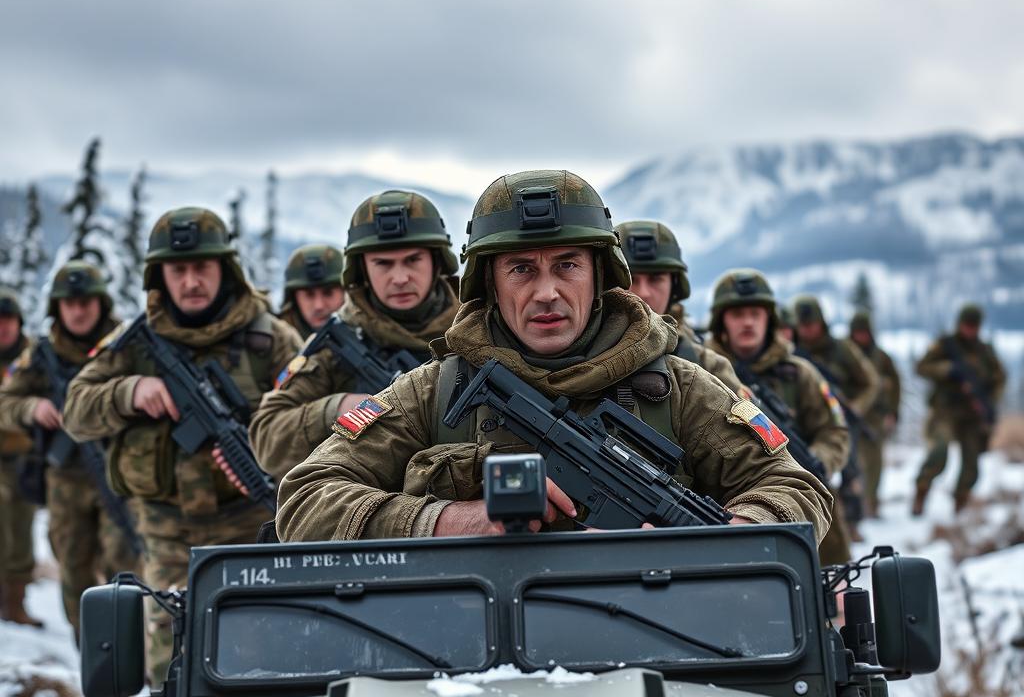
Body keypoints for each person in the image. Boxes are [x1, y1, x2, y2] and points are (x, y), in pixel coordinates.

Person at [275, 170, 831, 543]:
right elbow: (304, 500)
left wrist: (725, 536)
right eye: (521, 269)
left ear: (600, 276)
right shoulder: (434, 392)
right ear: (489, 284)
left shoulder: (678, 388)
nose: (546, 292)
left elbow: (797, 489)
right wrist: (450, 519)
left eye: (567, 265)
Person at [62, 208, 301, 681]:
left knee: (262, 648)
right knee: (170, 661)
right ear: (160, 277)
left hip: (252, 524)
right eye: (178, 270)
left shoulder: (269, 338)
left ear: (224, 270)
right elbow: (75, 410)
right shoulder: (134, 344)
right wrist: (129, 392)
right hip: (168, 532)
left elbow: (304, 416)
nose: (191, 281)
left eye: (202, 268)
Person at [250, 189, 459, 482]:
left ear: (437, 262)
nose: (399, 278)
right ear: (361, 269)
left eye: (413, 260)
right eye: (383, 264)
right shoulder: (336, 344)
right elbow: (267, 439)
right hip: (365, 511)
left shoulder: (473, 330)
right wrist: (338, 408)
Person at [0, 264, 140, 638]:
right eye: (69, 303)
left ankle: (129, 644)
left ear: (101, 303)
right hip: (66, 478)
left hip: (117, 472)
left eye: (86, 302)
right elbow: (6, 402)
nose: (78, 311)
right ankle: (89, 643)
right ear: (57, 308)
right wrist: (33, 409)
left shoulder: (123, 347)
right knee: (73, 563)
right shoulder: (41, 356)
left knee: (124, 559)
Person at [707, 270, 851, 564]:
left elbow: (834, 430)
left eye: (755, 313)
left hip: (802, 497)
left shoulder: (799, 374)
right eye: (737, 314)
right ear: (722, 321)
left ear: (769, 319)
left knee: (829, 592)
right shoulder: (701, 370)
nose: (747, 322)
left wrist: (816, 463)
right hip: (729, 506)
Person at [616, 219, 742, 392]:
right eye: (630, 279)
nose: (644, 292)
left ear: (674, 286)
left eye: (655, 279)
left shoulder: (710, 368)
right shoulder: (576, 354)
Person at [791, 294, 879, 541]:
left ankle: (851, 522)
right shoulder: (791, 350)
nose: (808, 330)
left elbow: (870, 381)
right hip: (803, 419)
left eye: (812, 324)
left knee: (849, 468)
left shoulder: (842, 350)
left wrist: (856, 407)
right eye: (803, 325)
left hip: (841, 418)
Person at [913, 304, 1006, 515]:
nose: (970, 330)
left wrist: (986, 400)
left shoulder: (984, 351)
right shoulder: (946, 345)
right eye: (967, 325)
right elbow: (921, 367)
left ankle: (960, 506)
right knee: (939, 453)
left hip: (971, 416)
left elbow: (1000, 378)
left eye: (974, 326)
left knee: (971, 464)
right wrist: (947, 370)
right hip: (944, 412)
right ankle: (921, 491)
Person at [0, 288, 38, 627]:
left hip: (25, 460)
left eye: (8, 321)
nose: (3, 328)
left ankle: (15, 604)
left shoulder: (32, 358)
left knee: (22, 532)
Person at [848, 311, 901, 517]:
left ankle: (871, 501)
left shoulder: (881, 357)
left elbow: (895, 385)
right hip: (851, 414)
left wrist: (893, 412)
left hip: (874, 418)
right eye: (858, 332)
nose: (861, 337)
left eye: (864, 332)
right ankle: (855, 505)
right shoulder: (847, 353)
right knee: (853, 461)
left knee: (874, 462)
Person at [277, 244, 346, 340]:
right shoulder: (277, 343)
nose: (319, 306)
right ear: (294, 298)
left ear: (346, 294)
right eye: (309, 295)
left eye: (328, 293)